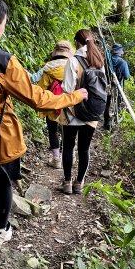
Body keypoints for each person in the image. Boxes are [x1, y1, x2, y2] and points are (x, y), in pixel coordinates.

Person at [0, 0, 88, 246]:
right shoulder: (1, 60)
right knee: (4, 183)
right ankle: (1, 229)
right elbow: (36, 97)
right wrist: (72, 97)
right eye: (4, 23)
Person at [59, 29, 104, 195]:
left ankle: (67, 183)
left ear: (76, 42)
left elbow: (68, 88)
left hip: (73, 111)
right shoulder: (99, 61)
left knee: (69, 147)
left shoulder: (72, 61)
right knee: (84, 149)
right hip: (91, 112)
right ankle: (79, 184)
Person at [34, 41, 75, 169]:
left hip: (52, 105)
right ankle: (69, 157)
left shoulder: (48, 68)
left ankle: (56, 159)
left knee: (52, 131)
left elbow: (41, 88)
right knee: (67, 132)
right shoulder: (74, 67)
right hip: (69, 105)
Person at [104, 43, 130, 130]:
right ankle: (113, 124)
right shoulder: (123, 63)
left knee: (107, 104)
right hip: (118, 87)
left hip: (107, 86)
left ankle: (106, 123)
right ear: (120, 52)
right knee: (116, 104)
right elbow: (126, 76)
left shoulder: (106, 61)